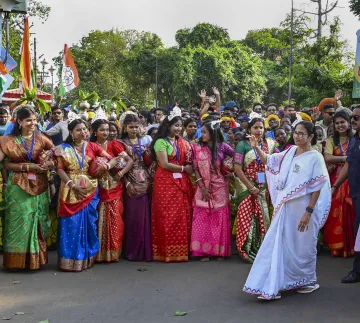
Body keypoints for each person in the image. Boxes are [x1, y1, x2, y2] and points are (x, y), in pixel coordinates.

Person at [243, 121, 331, 300]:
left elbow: (318, 186)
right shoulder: (290, 152)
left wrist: (308, 211)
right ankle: (276, 283)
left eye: (302, 133)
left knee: (303, 246)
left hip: (304, 209)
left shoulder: (315, 157)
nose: (298, 136)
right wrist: (257, 147)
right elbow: (270, 161)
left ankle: (308, 280)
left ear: (311, 137)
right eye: (296, 133)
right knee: (280, 244)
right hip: (286, 207)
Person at [55, 116, 121, 272]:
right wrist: (72, 185)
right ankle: (69, 260)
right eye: (78, 130)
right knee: (70, 224)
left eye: (84, 129)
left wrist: (106, 165)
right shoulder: (62, 148)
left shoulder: (92, 146)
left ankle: (86, 258)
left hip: (90, 190)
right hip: (70, 190)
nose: (82, 132)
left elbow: (114, 159)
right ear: (71, 132)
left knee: (89, 224)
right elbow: (60, 169)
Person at [1, 105, 55, 270]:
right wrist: (27, 168)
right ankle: (16, 262)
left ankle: (35, 260)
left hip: (39, 184)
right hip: (17, 186)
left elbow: (57, 156)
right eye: (28, 121)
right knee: (19, 220)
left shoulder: (41, 138)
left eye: (34, 120)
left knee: (38, 219)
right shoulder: (7, 140)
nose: (32, 123)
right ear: (19, 122)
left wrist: (49, 164)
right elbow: (5, 163)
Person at [150, 107, 193, 262]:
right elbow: (164, 164)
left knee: (181, 215)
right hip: (165, 183)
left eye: (180, 126)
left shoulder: (183, 142)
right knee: (166, 216)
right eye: (176, 125)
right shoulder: (161, 142)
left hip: (181, 181)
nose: (179, 128)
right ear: (167, 126)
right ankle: (165, 251)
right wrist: (183, 168)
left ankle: (182, 250)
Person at [90, 117, 134, 263]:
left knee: (115, 219)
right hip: (96, 187)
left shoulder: (114, 144)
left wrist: (121, 173)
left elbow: (130, 161)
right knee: (97, 219)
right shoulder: (90, 146)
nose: (105, 132)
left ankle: (113, 253)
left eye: (107, 130)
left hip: (115, 186)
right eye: (102, 130)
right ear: (94, 131)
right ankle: (98, 253)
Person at [233, 113, 276, 263]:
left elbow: (274, 164)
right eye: (256, 127)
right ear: (249, 129)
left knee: (263, 218)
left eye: (261, 128)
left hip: (264, 187)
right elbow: (237, 169)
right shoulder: (242, 145)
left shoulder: (269, 144)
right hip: (247, 186)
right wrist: (251, 187)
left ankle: (262, 249)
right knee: (247, 218)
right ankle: (246, 250)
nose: (259, 130)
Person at [191, 121, 236, 261]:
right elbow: (195, 168)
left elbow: (237, 157)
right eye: (201, 132)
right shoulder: (197, 147)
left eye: (204, 132)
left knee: (219, 219)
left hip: (220, 186)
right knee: (202, 218)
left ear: (213, 133)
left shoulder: (223, 147)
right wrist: (203, 187)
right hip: (202, 186)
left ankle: (218, 252)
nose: (201, 134)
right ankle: (203, 252)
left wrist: (231, 171)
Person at [118, 113, 153, 261]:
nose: (133, 129)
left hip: (146, 181)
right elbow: (119, 166)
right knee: (132, 217)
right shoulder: (120, 143)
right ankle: (131, 250)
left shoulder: (145, 142)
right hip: (130, 181)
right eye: (130, 127)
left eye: (136, 127)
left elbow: (149, 163)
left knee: (145, 217)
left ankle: (144, 250)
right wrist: (126, 183)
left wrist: (147, 153)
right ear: (125, 128)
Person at [332, 105, 360, 283]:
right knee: (359, 233)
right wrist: (335, 186)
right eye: (354, 118)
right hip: (357, 194)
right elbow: (348, 165)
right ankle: (357, 271)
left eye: (357, 117)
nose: (354, 121)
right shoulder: (355, 141)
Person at [323, 110, 355, 258]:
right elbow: (328, 158)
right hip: (336, 178)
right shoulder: (331, 140)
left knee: (352, 211)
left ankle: (353, 246)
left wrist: (342, 159)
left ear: (348, 123)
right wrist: (346, 158)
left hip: (354, 177)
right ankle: (338, 246)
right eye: (337, 123)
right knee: (335, 210)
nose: (340, 125)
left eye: (343, 122)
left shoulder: (355, 138)